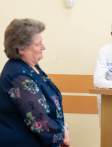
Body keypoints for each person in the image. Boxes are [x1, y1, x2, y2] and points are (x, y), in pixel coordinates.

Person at [0, 18, 70, 147]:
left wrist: (63, 128)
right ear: (21, 48)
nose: (43, 47)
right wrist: (62, 136)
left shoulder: (32, 67)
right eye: (38, 44)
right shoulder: (18, 76)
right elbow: (39, 120)